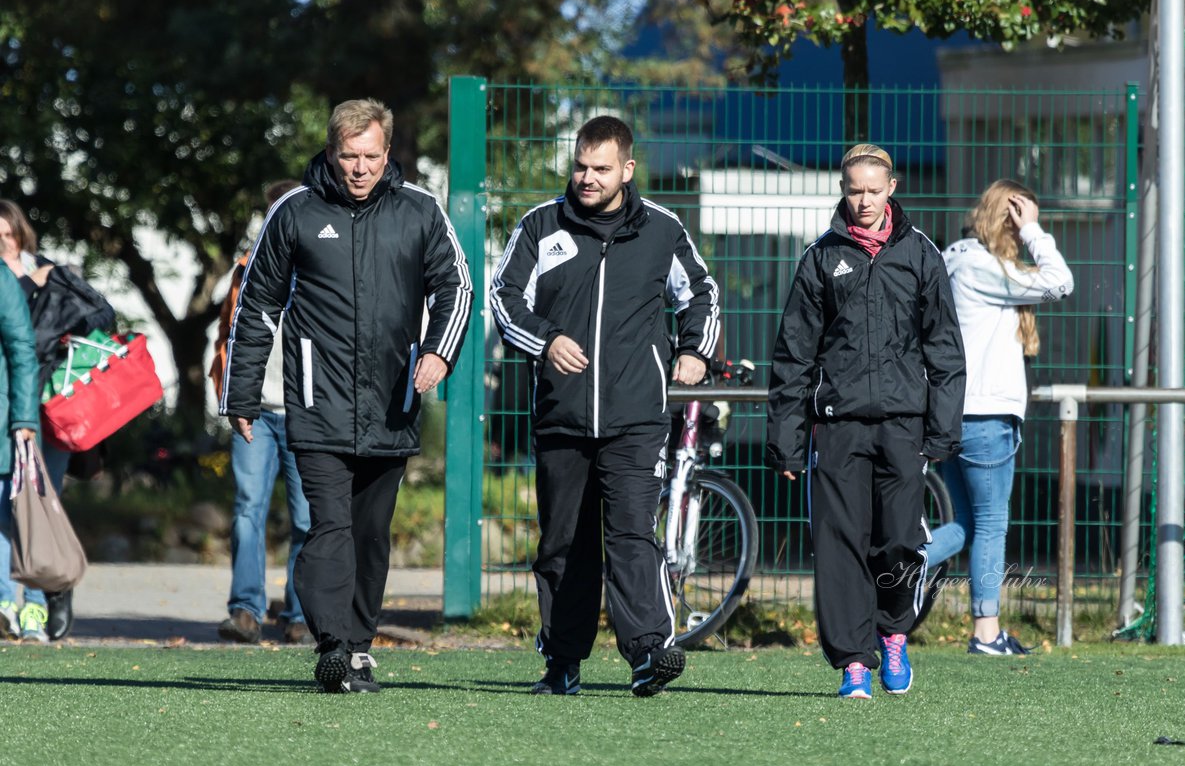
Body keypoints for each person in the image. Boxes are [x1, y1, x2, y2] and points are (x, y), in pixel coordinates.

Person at [222, 99, 472, 693]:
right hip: (316, 402)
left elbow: (455, 286)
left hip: (393, 403)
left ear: (388, 154)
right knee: (327, 527)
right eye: (348, 156)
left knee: (370, 535)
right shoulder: (295, 212)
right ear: (331, 153)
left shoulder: (420, 211)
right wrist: (242, 393)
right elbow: (256, 307)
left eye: (370, 156)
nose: (359, 168)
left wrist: (438, 352)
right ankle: (333, 643)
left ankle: (359, 646)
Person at [490, 115, 720, 697]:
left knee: (631, 534)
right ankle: (562, 661)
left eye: (600, 168)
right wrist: (545, 341)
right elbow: (504, 297)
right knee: (564, 544)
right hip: (562, 417)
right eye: (580, 166)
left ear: (627, 169)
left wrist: (695, 350)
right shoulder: (541, 225)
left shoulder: (663, 230)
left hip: (637, 416)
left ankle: (650, 652)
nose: (587, 178)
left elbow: (702, 294)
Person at [766, 144, 965, 699]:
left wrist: (942, 431)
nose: (864, 201)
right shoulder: (821, 258)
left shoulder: (922, 255)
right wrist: (786, 439)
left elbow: (945, 350)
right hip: (837, 427)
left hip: (904, 425)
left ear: (892, 189)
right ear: (843, 189)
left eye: (874, 190)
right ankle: (854, 662)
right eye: (854, 190)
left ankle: (894, 632)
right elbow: (793, 355)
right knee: (838, 544)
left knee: (899, 541)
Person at [924, 179, 1074, 655]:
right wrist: (1035, 232)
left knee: (967, 524)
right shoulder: (979, 267)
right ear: (1009, 219)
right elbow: (1060, 282)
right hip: (984, 416)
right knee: (991, 523)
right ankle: (986, 633)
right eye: (1022, 218)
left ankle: (879, 574)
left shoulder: (957, 261)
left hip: (954, 413)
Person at [0, 199, 115, 641]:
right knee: (5, 509)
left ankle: (43, 600)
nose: (3, 245)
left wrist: (72, 332)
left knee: (38, 505)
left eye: (7, 236)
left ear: (21, 235)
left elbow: (100, 314)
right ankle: (10, 602)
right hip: (8, 406)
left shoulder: (50, 274)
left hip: (51, 407)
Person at [210, 180, 312, 645]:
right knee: (247, 510)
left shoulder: (318, 267)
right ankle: (246, 611)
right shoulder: (245, 270)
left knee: (309, 518)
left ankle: (300, 613)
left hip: (308, 413)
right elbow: (227, 337)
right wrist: (233, 398)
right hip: (255, 412)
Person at [0, 259, 41, 642]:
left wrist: (24, 418)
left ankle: (30, 608)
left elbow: (21, 349)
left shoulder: (1, 278)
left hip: (5, 421)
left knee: (17, 518)